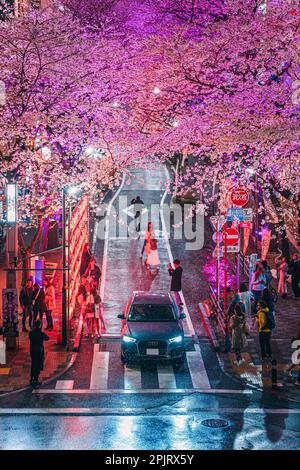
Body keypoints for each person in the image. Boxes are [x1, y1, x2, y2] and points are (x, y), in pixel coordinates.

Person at [29, 320, 49, 387]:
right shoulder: (41, 333)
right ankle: (35, 379)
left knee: (33, 363)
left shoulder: (31, 333)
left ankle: (31, 377)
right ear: (40, 325)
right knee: (38, 364)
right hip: (39, 351)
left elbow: (30, 338)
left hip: (32, 350)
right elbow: (47, 338)